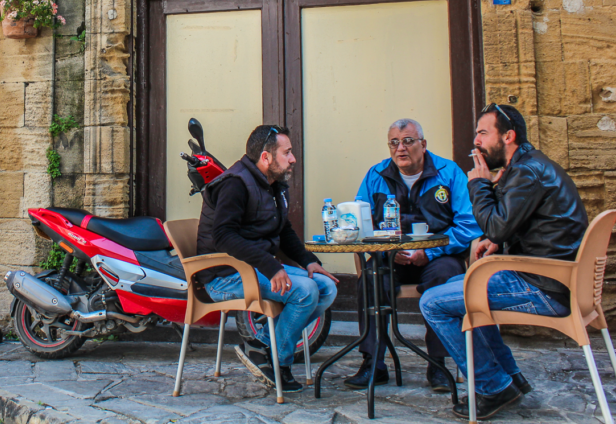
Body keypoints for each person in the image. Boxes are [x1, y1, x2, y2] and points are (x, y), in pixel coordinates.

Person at [420, 104, 588, 420]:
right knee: (458, 286)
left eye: (483, 133)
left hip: (543, 286)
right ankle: (510, 377)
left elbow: (496, 225)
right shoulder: (530, 166)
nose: (476, 142)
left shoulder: (527, 172)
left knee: (432, 302)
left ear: (508, 136)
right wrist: (497, 238)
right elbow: (511, 223)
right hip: (552, 279)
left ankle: (493, 387)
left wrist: (479, 184)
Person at [197, 124, 339, 392]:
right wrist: (272, 267)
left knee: (326, 288)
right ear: (266, 157)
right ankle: (279, 362)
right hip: (224, 276)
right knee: (306, 291)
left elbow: (283, 230)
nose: (293, 159)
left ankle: (262, 344)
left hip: (253, 269)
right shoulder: (235, 184)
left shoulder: (273, 185)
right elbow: (223, 236)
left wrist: (309, 262)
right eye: (287, 152)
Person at [346, 119, 482, 392]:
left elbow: (469, 225)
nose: (401, 148)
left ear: (423, 144)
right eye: (394, 143)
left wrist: (430, 252)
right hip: (392, 259)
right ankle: (373, 364)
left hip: (440, 257)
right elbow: (360, 225)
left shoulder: (448, 172)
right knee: (371, 278)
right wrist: (387, 251)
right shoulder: (376, 175)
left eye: (408, 141)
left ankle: (438, 364)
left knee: (445, 279)